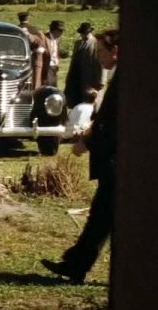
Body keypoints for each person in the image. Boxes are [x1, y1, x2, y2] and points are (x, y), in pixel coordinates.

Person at [41, 29, 120, 284]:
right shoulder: (119, 75)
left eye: (100, 52)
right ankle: (76, 265)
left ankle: (77, 264)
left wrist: (86, 141)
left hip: (119, 161)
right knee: (101, 216)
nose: (98, 57)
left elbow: (114, 122)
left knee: (105, 215)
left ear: (115, 51)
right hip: (115, 161)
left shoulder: (126, 78)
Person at [64, 22, 104, 107]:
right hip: (76, 78)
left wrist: (100, 81)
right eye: (82, 33)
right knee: (76, 101)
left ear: (90, 33)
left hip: (89, 78)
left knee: (89, 102)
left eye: (86, 33)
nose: (84, 35)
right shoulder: (78, 43)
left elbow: (99, 63)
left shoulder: (96, 43)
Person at [18, 12, 49, 89]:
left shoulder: (16, 28)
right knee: (35, 81)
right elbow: (42, 45)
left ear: (19, 19)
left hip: (19, 58)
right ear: (28, 18)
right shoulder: (35, 29)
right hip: (34, 58)